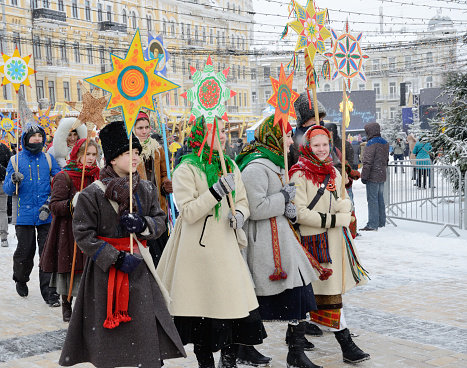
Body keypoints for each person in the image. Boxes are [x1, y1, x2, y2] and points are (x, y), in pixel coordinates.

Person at [59, 120, 185, 368]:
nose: (136, 157)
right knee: (108, 336)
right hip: (104, 273)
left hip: (140, 266)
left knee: (145, 326)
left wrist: (143, 225)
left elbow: (160, 221)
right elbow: (83, 234)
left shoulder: (146, 188)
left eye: (137, 152)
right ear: (113, 159)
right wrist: (113, 258)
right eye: (129, 153)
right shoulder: (92, 193)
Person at [157, 116, 266, 368]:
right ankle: (205, 363)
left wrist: (239, 215)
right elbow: (188, 212)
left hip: (226, 250)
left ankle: (229, 360)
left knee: (233, 308)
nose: (224, 137)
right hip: (198, 254)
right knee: (202, 314)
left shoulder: (229, 164)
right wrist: (215, 192)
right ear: (201, 137)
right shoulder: (186, 169)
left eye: (223, 132)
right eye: (216, 133)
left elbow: (242, 201)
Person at [236, 116, 321, 368]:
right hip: (264, 243)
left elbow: (284, 204)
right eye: (285, 135)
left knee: (301, 295)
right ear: (272, 136)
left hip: (283, 238)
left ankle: (295, 352)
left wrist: (290, 208)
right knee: (258, 303)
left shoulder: (278, 164)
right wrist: (283, 198)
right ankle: (243, 348)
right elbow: (256, 208)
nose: (290, 140)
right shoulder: (255, 168)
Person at [290, 125, 370, 364]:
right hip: (312, 244)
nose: (322, 149)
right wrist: (335, 219)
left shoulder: (332, 172)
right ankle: (345, 344)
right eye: (316, 145)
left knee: (317, 297)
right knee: (312, 296)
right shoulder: (299, 174)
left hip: (334, 243)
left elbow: (336, 200)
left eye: (325, 144)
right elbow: (300, 213)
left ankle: (295, 351)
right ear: (307, 147)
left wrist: (343, 207)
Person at [40, 139, 100, 322]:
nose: (90, 158)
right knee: (70, 269)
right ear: (77, 154)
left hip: (92, 229)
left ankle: (87, 307)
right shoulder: (64, 176)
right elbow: (55, 206)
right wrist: (72, 203)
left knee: (89, 269)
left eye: (93, 154)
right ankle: (66, 303)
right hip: (69, 230)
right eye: (87, 154)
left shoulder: (98, 176)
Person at [3, 125, 61, 305]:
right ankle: (20, 278)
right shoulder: (15, 160)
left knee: (48, 253)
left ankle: (50, 293)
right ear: (25, 139)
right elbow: (7, 189)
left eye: (39, 136)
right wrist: (14, 181)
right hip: (24, 216)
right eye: (33, 136)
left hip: (46, 214)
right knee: (25, 252)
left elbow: (60, 183)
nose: (37, 139)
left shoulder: (48, 159)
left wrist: (49, 203)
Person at [134, 111, 172, 267]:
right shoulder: (131, 150)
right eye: (140, 128)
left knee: (162, 250)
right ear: (133, 130)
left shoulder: (157, 150)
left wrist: (166, 184)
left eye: (147, 127)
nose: (144, 131)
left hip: (158, 204)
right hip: (140, 205)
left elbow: (163, 173)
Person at [360, 122, 389, 231]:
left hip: (372, 175)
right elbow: (386, 159)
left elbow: (367, 161)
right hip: (382, 174)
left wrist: (364, 176)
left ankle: (372, 224)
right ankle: (381, 222)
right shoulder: (385, 142)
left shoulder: (370, 143)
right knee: (380, 198)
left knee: (372, 200)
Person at [290, 93, 327, 168]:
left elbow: (336, 163)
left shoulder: (325, 139)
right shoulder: (291, 144)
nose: (320, 123)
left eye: (321, 119)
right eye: (315, 120)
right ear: (303, 123)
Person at [0, 142, 12, 247]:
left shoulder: (3, 148)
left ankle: (3, 236)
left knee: (2, 210)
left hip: (2, 182)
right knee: (2, 210)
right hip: (3, 181)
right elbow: (11, 164)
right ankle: (3, 236)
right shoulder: (3, 148)